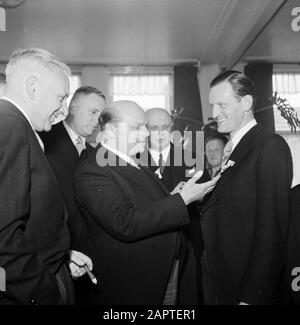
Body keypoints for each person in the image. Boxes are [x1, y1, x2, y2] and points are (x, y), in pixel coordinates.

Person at [75, 100, 220, 305]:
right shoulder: (94, 170)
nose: (146, 134)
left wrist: (173, 197)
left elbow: (145, 205)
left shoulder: (135, 162)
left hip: (162, 271)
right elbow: (126, 222)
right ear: (110, 130)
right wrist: (182, 199)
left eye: (145, 126)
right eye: (137, 127)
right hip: (134, 283)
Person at [0, 48, 92, 305]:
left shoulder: (14, 125)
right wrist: (44, 291)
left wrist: (62, 254)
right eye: (61, 98)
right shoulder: (10, 126)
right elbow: (3, 236)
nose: (63, 111)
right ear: (33, 88)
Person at [200, 70, 293, 305]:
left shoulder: (270, 146)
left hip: (245, 289)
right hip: (222, 281)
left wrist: (251, 297)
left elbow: (271, 231)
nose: (213, 114)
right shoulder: (233, 147)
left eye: (221, 105)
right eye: (212, 106)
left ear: (247, 102)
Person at [39, 86, 106, 304]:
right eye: (93, 112)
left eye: (101, 115)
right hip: (54, 254)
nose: (98, 120)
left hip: (85, 253)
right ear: (73, 107)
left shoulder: (93, 152)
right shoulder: (45, 139)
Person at [145, 107, 203, 304]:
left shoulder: (192, 158)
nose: (160, 132)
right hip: (150, 245)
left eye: (164, 126)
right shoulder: (134, 161)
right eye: (153, 127)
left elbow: (206, 199)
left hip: (186, 244)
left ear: (171, 128)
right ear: (145, 130)